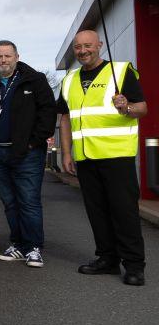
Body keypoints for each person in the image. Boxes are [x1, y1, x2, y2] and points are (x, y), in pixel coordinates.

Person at [58, 30, 147, 286]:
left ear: (99, 45)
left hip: (116, 156)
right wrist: (67, 152)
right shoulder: (70, 79)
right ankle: (107, 259)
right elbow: (65, 118)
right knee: (97, 212)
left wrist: (126, 107)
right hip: (86, 157)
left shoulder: (120, 72)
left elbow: (142, 108)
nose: (83, 51)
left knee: (124, 212)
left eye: (88, 45)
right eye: (78, 47)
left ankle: (134, 266)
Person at [0, 40, 56, 267]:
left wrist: (34, 143)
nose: (4, 60)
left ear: (17, 57)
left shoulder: (34, 80)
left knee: (28, 200)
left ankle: (34, 248)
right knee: (10, 202)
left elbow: (48, 112)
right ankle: (19, 244)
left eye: (8, 56)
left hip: (27, 152)